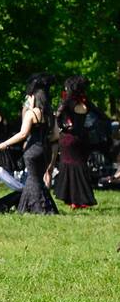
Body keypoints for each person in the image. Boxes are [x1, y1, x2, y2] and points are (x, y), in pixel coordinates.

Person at [0, 74, 58, 214]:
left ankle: (38, 208)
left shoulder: (32, 113)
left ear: (34, 98)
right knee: (36, 179)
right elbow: (55, 136)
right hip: (45, 150)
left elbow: (23, 134)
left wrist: (5, 143)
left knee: (33, 179)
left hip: (32, 149)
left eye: (30, 97)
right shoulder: (50, 114)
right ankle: (27, 207)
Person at [54, 76, 97, 209]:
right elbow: (100, 116)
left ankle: (72, 199)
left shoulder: (67, 101)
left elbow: (57, 115)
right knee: (80, 167)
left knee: (69, 167)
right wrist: (89, 128)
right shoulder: (85, 102)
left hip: (68, 138)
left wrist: (63, 127)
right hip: (82, 138)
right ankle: (81, 199)